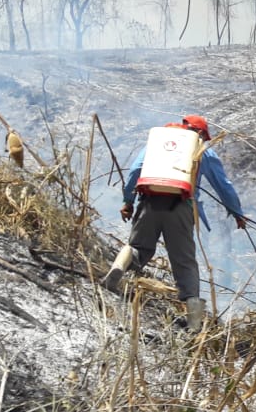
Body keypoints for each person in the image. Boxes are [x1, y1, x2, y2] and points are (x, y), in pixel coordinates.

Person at [101, 115, 247, 331]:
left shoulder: (157, 143)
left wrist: (128, 201)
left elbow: (135, 171)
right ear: (200, 134)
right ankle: (194, 322)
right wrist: (236, 212)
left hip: (149, 202)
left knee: (138, 248)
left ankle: (116, 270)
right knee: (185, 263)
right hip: (180, 207)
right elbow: (223, 185)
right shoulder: (202, 150)